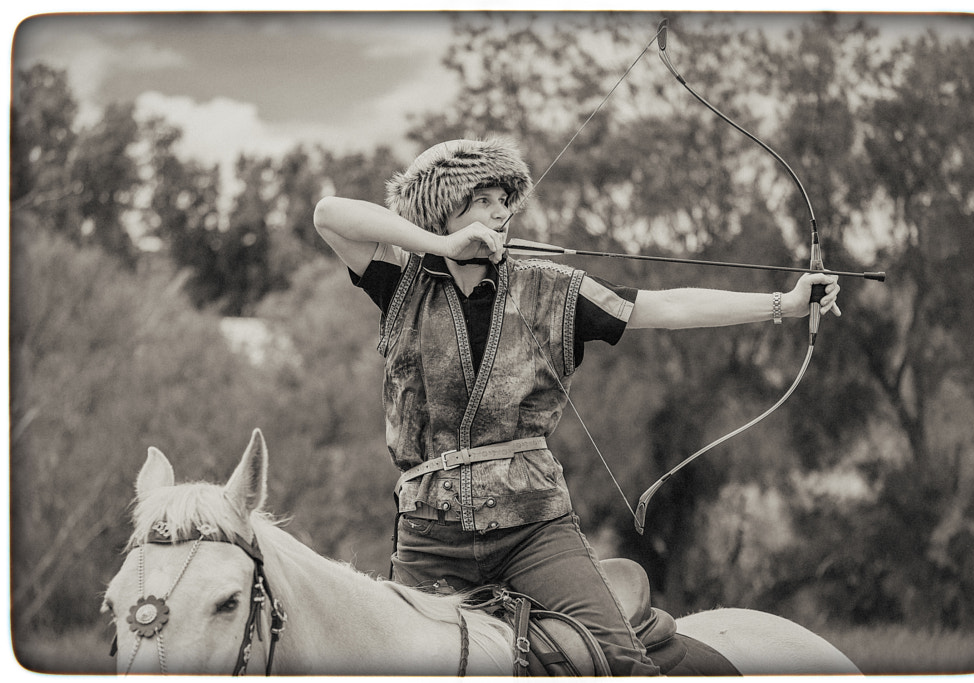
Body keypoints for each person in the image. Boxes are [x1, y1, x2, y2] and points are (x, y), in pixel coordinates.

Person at [313, 137, 840, 676]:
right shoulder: (400, 283)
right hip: (429, 542)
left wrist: (786, 304)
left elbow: (665, 306)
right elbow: (330, 214)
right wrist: (438, 247)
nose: (502, 211)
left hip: (533, 533)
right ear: (442, 208)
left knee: (623, 663)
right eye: (483, 199)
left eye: (505, 200)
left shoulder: (553, 290)